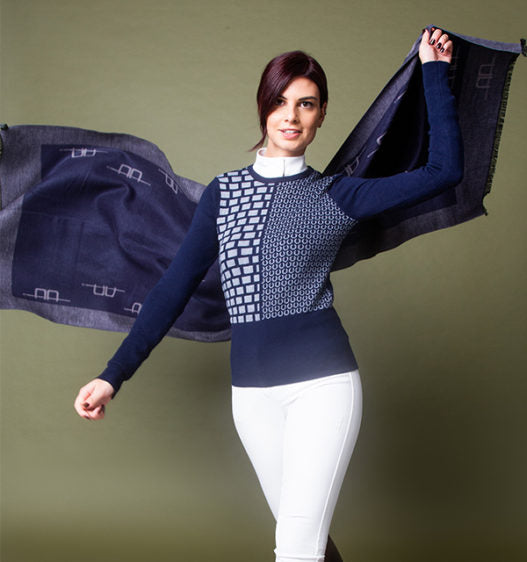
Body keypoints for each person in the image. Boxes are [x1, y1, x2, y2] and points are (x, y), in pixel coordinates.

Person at [74, 28, 461, 562]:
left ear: (321, 115)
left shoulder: (338, 194)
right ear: (263, 107)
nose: (291, 116)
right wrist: (112, 375)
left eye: (306, 104)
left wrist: (434, 71)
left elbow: (444, 171)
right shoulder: (224, 193)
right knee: (308, 542)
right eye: (280, 101)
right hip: (252, 397)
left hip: (323, 388)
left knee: (295, 548)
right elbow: (173, 288)